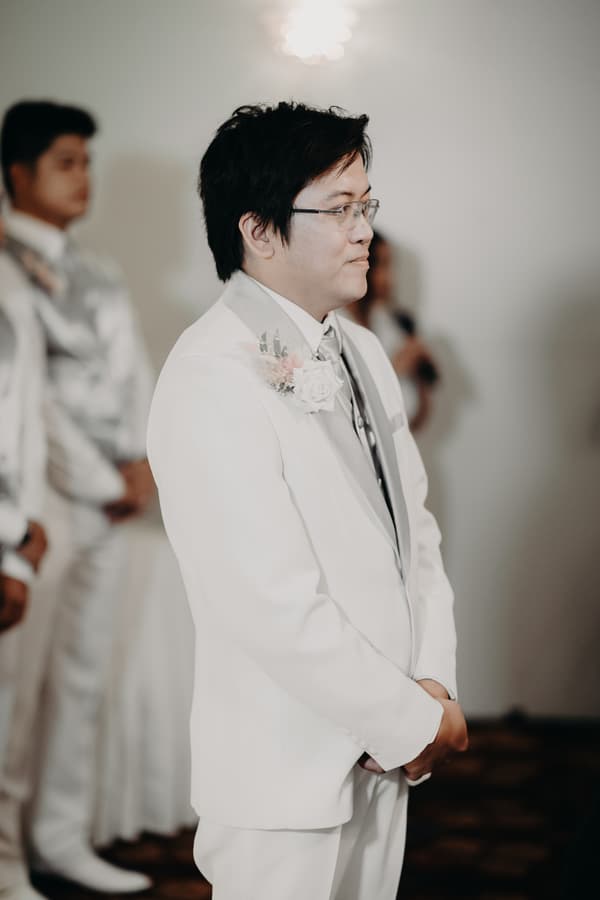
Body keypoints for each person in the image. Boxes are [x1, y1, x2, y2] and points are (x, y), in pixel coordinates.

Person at [147, 101, 468, 900]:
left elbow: (414, 535)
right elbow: (268, 602)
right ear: (258, 230)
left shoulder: (359, 347)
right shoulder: (209, 374)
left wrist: (431, 685)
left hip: (383, 749)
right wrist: (406, 722)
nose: (365, 230)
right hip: (283, 769)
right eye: (340, 209)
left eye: (368, 206)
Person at [0, 100, 154, 898]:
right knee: (13, 694)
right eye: (66, 161)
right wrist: (105, 479)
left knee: (83, 679)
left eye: (88, 161)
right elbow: (30, 405)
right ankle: (3, 860)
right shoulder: (2, 267)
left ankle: (59, 838)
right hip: (39, 505)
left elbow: (133, 375)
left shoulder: (101, 271)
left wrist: (144, 460)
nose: (82, 177)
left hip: (110, 504)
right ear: (18, 173)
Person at [347, 231, 439, 432]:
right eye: (383, 265)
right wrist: (395, 368)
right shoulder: (335, 324)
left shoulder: (390, 321)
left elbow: (412, 419)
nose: (390, 278)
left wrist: (421, 379)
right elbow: (349, 413)